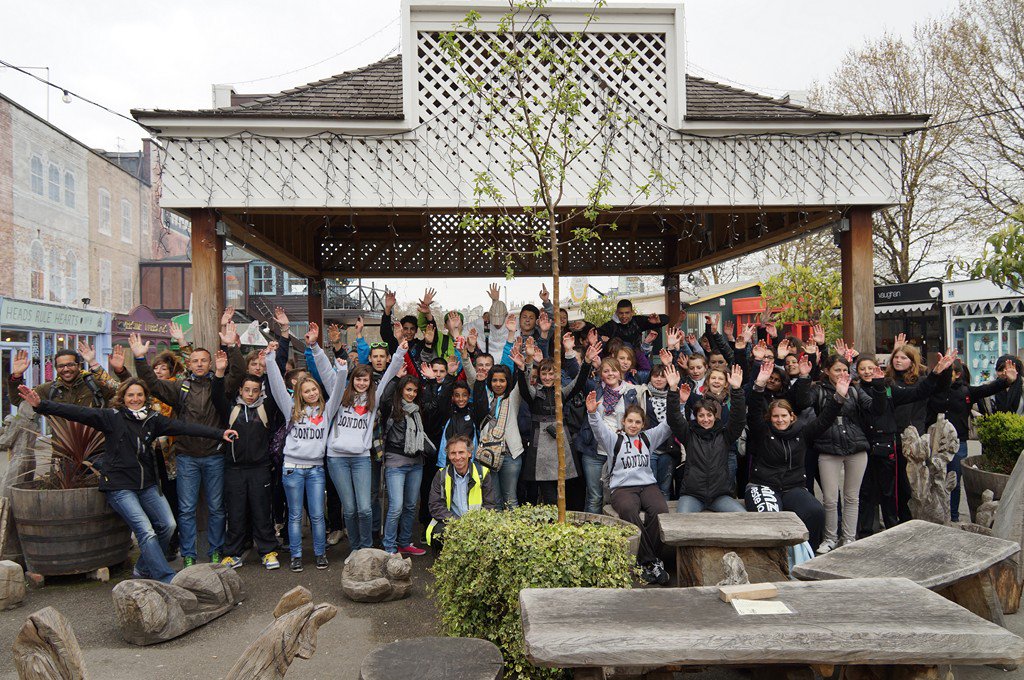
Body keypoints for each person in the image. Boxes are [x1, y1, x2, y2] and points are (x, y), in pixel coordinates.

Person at [18, 381, 237, 583]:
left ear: (145, 397)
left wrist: (220, 433)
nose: (135, 399)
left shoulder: (153, 420)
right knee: (146, 531)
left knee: (168, 526)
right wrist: (41, 406)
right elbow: (77, 412)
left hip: (147, 485)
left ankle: (143, 567)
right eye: (130, 395)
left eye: (139, 395)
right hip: (120, 487)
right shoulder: (112, 417)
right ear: (123, 397)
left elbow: (185, 428)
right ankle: (166, 576)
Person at [132, 322, 245, 568]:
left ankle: (215, 550)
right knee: (186, 509)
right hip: (186, 456)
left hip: (214, 455)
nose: (200, 364)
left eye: (204, 360)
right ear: (189, 364)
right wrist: (140, 359)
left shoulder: (221, 385)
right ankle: (189, 554)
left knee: (216, 508)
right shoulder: (179, 387)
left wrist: (231, 347)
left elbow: (238, 373)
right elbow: (153, 383)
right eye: (195, 361)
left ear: (211, 363)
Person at [315, 323, 407, 556]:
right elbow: (327, 374)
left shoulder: (373, 399)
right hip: (337, 459)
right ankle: (355, 550)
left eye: (366, 380)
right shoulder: (339, 397)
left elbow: (387, 375)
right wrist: (315, 348)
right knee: (351, 508)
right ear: (353, 379)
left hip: (361, 458)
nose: (362, 383)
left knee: (365, 508)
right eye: (358, 379)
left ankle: (366, 548)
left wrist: (400, 352)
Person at [264, 323, 344, 572]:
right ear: (299, 392)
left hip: (316, 470)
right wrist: (269, 358)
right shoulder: (291, 410)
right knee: (296, 515)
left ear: (318, 391)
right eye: (305, 390)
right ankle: (297, 555)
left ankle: (320, 553)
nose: (310, 393)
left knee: (318, 516)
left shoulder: (327, 410)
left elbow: (339, 390)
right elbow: (277, 386)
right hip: (292, 469)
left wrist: (341, 371)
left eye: (313, 389)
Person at [586, 378, 681, 585]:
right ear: (624, 422)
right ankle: (651, 561)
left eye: (638, 422)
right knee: (629, 511)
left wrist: (679, 402)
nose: (634, 425)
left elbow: (669, 423)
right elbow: (599, 430)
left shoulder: (648, 438)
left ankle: (649, 561)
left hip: (647, 485)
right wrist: (593, 413)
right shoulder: (614, 440)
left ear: (643, 424)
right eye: (630, 421)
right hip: (622, 488)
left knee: (660, 510)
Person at [745, 361, 849, 549]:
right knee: (772, 517)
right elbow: (753, 411)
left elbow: (825, 420)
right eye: (776, 416)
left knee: (815, 511)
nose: (780, 420)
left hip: (793, 488)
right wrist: (759, 385)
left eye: (784, 416)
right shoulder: (763, 432)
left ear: (792, 417)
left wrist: (839, 396)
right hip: (763, 486)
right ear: (770, 418)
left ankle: (806, 555)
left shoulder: (803, 433)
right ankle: (774, 559)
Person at [855, 349, 954, 536]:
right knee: (866, 492)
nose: (867, 372)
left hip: (890, 444)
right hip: (863, 445)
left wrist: (937, 373)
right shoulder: (854, 389)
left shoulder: (888, 386)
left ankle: (895, 529)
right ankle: (865, 531)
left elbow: (917, 393)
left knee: (892, 491)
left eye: (870, 368)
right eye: (862, 368)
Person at [805, 352, 886, 553]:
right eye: (836, 370)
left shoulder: (856, 390)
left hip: (856, 446)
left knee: (852, 496)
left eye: (844, 369)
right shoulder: (819, 391)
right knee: (831, 498)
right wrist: (837, 396)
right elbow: (804, 403)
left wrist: (879, 385)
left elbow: (876, 409)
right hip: (827, 447)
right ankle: (830, 537)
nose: (841, 373)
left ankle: (849, 538)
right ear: (827, 371)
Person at [212, 354, 281, 571]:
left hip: (260, 467)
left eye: (255, 391)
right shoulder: (231, 408)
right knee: (236, 512)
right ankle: (232, 553)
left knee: (262, 510)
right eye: (247, 390)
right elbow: (216, 395)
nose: (251, 395)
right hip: (234, 468)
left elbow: (275, 385)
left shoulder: (265, 408)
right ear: (240, 391)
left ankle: (268, 551)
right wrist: (220, 372)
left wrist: (271, 361)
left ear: (261, 392)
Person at [927, 357, 1014, 522]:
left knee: (954, 481)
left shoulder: (965, 391)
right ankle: (933, 516)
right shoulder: (933, 390)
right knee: (933, 479)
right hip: (935, 443)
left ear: (958, 374)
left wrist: (1006, 381)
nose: (944, 374)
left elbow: (987, 389)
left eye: (948, 371)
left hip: (959, 443)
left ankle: (952, 517)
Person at [514, 336, 595, 505]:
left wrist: (586, 362)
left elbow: (578, 383)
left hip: (561, 442)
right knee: (547, 494)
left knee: (563, 491)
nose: (547, 377)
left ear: (557, 374)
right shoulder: (535, 393)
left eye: (551, 373)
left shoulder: (562, 392)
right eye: (544, 373)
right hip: (541, 447)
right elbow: (524, 389)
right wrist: (523, 368)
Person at [669, 364, 748, 513]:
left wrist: (736, 390)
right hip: (692, 495)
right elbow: (674, 419)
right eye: (701, 415)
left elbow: (738, 419)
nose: (706, 419)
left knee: (741, 517)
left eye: (709, 415)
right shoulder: (689, 434)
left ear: (715, 416)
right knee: (681, 523)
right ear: (696, 417)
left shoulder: (725, 435)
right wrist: (673, 389)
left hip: (720, 496)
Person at [381, 374, 433, 555]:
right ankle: (389, 546)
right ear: (401, 390)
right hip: (396, 462)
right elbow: (384, 398)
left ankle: (404, 542)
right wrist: (395, 378)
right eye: (408, 389)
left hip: (416, 462)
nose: (411, 394)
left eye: (414, 390)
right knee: (396, 506)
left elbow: (431, 402)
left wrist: (429, 381)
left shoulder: (418, 410)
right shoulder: (392, 407)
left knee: (411, 505)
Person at [425, 435, 499, 550]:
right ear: (448, 456)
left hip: (477, 524)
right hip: (451, 523)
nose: (457, 457)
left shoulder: (482, 473)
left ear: (469, 454)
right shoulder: (441, 475)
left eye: (461, 452)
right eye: (453, 453)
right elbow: (435, 506)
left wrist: (476, 524)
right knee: (438, 532)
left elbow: (490, 505)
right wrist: (457, 523)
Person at [597, 299, 668, 349]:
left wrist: (659, 321)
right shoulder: (610, 326)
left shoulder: (637, 321)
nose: (624, 316)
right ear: (616, 313)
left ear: (632, 312)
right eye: (621, 313)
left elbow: (667, 319)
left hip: (636, 360)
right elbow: (593, 333)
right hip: (616, 362)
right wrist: (600, 338)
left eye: (627, 313)